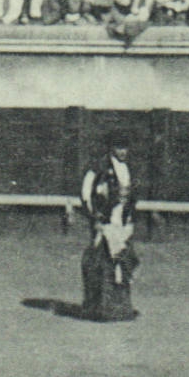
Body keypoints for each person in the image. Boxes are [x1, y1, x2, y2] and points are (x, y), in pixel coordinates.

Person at [79, 134, 139, 321]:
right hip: (105, 220)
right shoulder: (100, 167)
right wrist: (94, 216)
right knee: (103, 262)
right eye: (119, 147)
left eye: (125, 147)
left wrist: (129, 217)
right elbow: (86, 193)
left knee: (123, 260)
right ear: (111, 148)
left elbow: (130, 197)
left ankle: (121, 308)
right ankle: (99, 308)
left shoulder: (128, 168)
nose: (123, 151)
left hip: (122, 219)